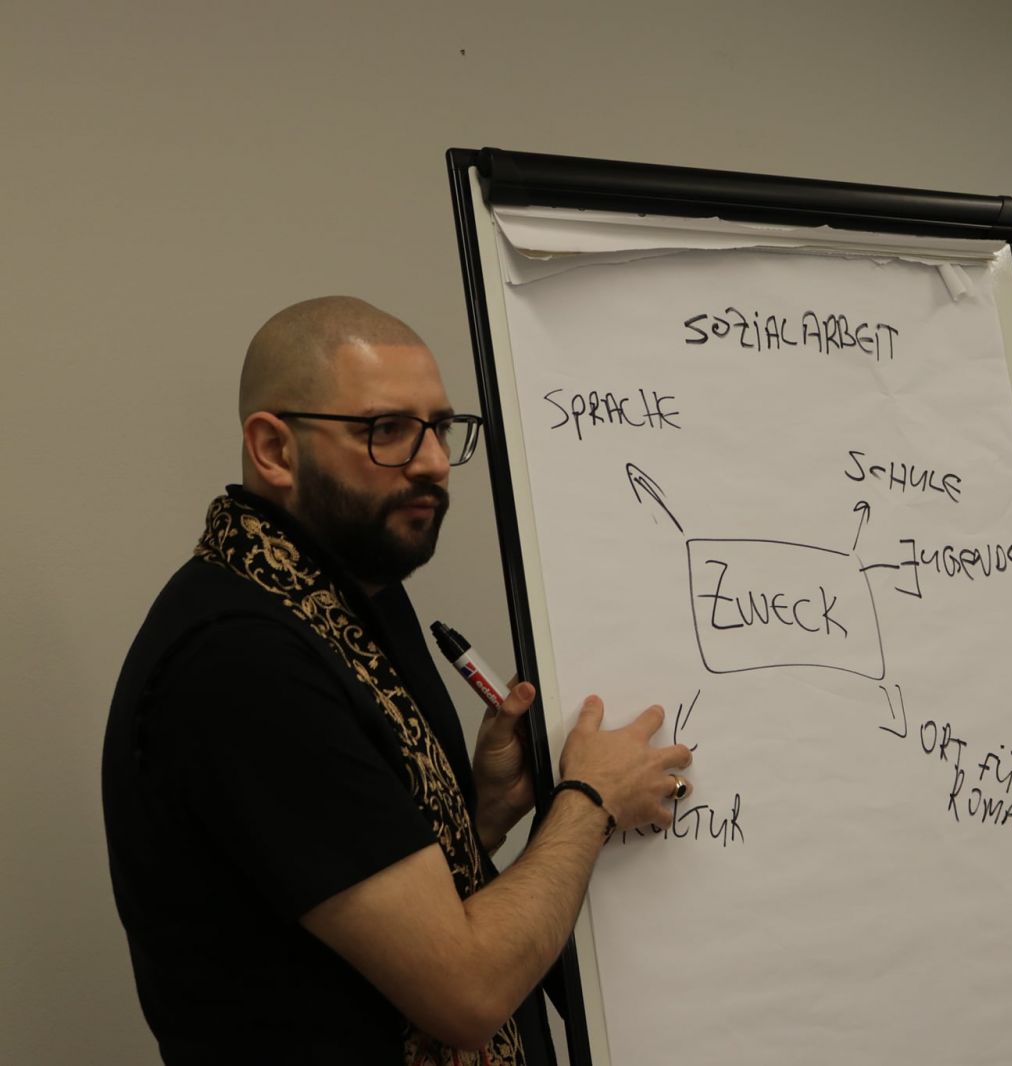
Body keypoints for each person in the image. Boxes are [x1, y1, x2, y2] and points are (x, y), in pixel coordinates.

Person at [101, 296, 692, 1065]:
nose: (434, 462)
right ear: (274, 449)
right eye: (386, 430)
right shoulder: (241, 662)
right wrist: (590, 802)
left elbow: (347, 872)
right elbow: (464, 994)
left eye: (440, 428)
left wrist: (479, 816)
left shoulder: (349, 593)